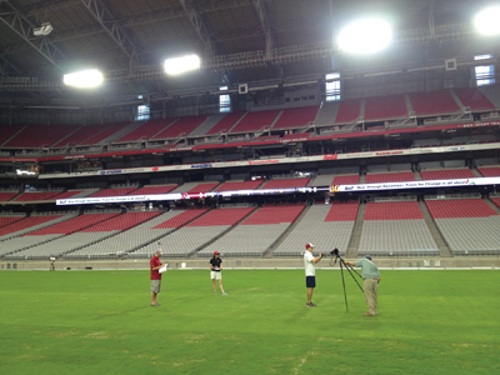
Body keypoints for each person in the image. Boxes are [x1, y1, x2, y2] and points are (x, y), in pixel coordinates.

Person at [303, 243, 324, 307]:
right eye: (311, 247)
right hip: (309, 273)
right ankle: (308, 302)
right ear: (308, 248)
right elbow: (314, 260)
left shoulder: (309, 254)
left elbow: (316, 261)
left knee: (311, 288)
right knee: (310, 288)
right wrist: (320, 256)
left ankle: (309, 301)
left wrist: (320, 257)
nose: (312, 249)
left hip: (311, 273)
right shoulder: (307, 254)